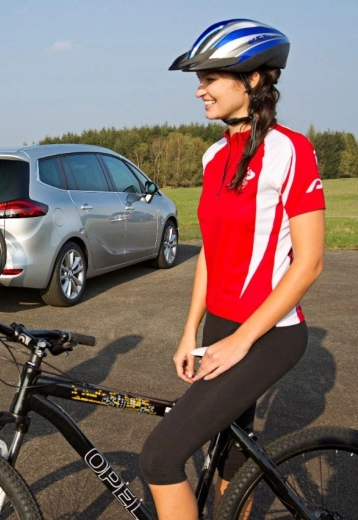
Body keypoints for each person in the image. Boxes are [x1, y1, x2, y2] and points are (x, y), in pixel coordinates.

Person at [138, 19, 326, 519]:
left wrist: (241, 342)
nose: (199, 89)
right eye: (198, 79)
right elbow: (213, 254)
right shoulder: (213, 155)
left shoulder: (291, 149)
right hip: (219, 327)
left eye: (210, 77)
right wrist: (189, 332)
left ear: (255, 80)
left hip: (269, 334)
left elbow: (309, 264)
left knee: (159, 457)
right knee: (228, 456)